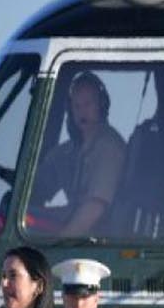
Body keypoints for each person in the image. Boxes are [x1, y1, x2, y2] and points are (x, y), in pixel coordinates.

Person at [28, 71, 126, 237]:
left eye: (88, 104)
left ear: (101, 104)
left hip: (94, 233)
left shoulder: (109, 146)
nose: (82, 112)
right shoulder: (71, 150)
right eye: (77, 106)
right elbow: (36, 184)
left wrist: (61, 243)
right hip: (71, 219)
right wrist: (0, 172)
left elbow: (95, 206)